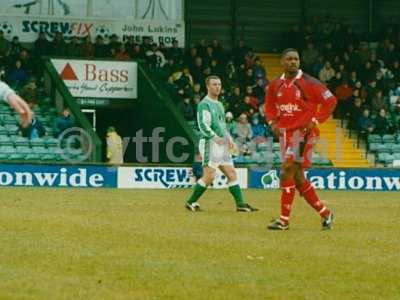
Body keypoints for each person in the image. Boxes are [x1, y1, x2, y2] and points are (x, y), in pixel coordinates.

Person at [265, 48, 336, 230]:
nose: (293, 62)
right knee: (298, 178)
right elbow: (270, 105)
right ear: (282, 62)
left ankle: (283, 220)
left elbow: (331, 101)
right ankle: (325, 213)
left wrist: (316, 119)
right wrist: (272, 122)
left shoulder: (310, 83)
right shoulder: (275, 85)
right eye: (289, 59)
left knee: (286, 171)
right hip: (285, 135)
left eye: (296, 59)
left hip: (303, 134)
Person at [185, 75, 257, 212]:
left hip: (222, 143)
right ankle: (191, 201)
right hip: (209, 142)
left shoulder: (219, 105)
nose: (217, 87)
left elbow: (222, 126)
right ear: (207, 86)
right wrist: (215, 138)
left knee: (231, 173)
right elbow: (203, 125)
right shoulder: (204, 104)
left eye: (219, 84)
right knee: (210, 175)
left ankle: (240, 204)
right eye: (214, 84)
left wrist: (229, 139)